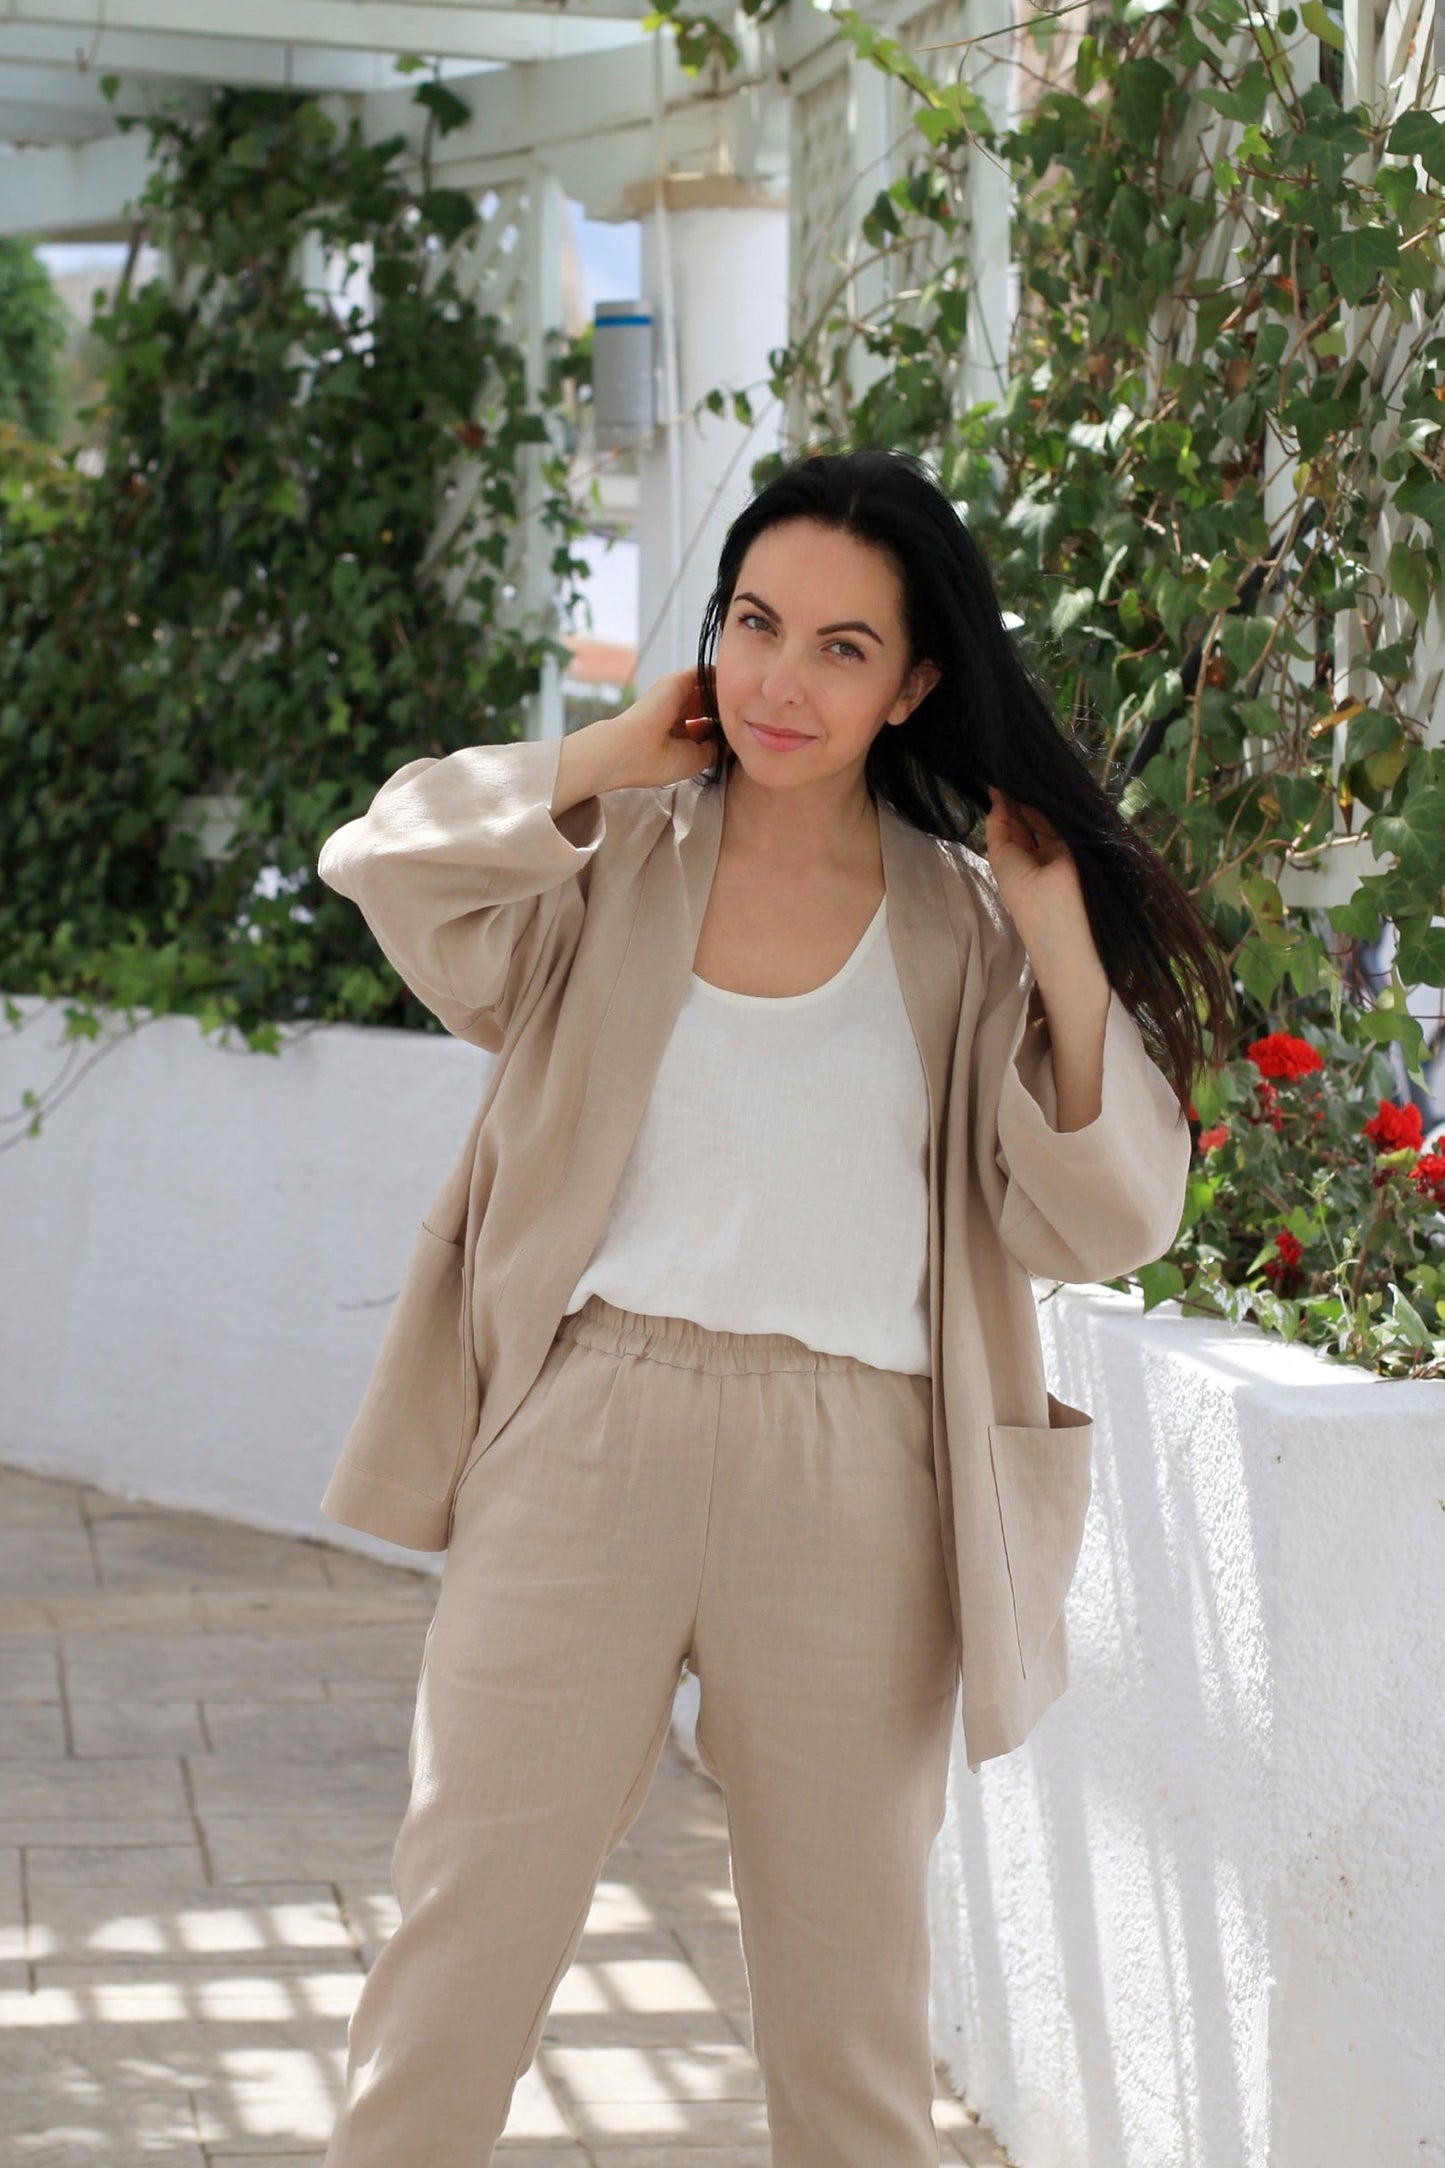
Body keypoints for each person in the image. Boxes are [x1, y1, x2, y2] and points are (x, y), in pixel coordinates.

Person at [316, 446, 1232, 2166]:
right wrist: (598, 754)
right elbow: (386, 860)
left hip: (857, 1474)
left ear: (915, 685)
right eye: (752, 624)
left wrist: (1057, 937)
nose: (776, 680)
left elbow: (1109, 1216)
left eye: (838, 647)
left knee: (848, 2028)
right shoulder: (605, 871)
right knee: (455, 1959)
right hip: (587, 1428)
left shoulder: (961, 931)